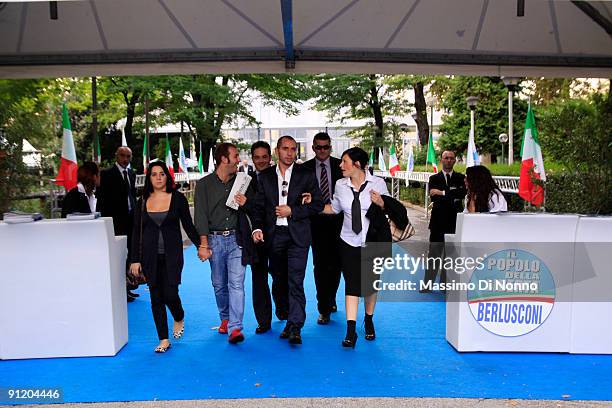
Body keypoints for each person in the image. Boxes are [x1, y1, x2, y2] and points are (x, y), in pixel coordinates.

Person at [315, 147, 406, 348]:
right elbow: (335, 208)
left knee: (371, 283)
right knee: (352, 284)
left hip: (373, 241)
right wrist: (312, 205)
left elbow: (391, 209)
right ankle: (350, 330)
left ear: (357, 165)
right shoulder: (340, 185)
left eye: (344, 162)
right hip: (348, 241)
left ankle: (369, 318)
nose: (340, 165)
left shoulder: (378, 183)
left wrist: (381, 202)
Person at [251, 136, 323, 345]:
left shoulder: (306, 175)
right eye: (285, 149)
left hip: (298, 236)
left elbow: (317, 204)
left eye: (293, 149)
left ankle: (295, 326)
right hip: (274, 237)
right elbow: (258, 207)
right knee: (280, 280)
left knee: (296, 281)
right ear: (277, 151)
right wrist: (257, 228)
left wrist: (293, 211)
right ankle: (286, 314)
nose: (290, 153)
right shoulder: (263, 177)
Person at [129, 161, 200, 353]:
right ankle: (163, 339)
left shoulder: (177, 199)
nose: (158, 177)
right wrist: (134, 259)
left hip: (173, 255)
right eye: (154, 174)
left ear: (167, 177)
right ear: (149, 178)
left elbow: (188, 225)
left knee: (170, 293)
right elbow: (136, 231)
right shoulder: (142, 201)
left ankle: (178, 315)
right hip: (149, 257)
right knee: (156, 298)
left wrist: (202, 245)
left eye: (162, 174)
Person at [194, 143, 255, 344]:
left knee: (236, 283)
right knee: (219, 284)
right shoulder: (203, 185)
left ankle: (236, 327)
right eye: (235, 156)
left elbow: (254, 208)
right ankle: (225, 318)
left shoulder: (243, 181)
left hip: (237, 239)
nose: (239, 160)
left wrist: (246, 202)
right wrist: (203, 244)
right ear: (223, 159)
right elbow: (200, 216)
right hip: (214, 240)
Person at [303, 132, 343, 325]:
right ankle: (323, 308)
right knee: (320, 266)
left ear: (330, 147)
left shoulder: (341, 166)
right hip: (314, 223)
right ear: (313, 148)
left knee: (336, 266)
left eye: (325, 147)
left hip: (340, 223)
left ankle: (331, 299)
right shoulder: (304, 169)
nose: (322, 150)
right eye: (318, 147)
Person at [97, 147, 139, 301]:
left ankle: (127, 286)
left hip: (130, 219)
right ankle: (119, 290)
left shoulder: (131, 174)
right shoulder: (107, 174)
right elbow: (101, 199)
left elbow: (132, 196)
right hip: (115, 221)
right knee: (118, 256)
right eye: (122, 155)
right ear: (116, 156)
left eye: (128, 156)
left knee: (129, 253)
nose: (125, 159)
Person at [245, 141, 277, 334]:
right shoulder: (244, 181)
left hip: (276, 235)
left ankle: (283, 309)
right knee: (259, 279)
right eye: (257, 157)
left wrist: (248, 203)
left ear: (270, 158)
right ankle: (263, 320)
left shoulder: (279, 178)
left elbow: (269, 208)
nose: (261, 161)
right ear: (252, 159)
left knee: (280, 277)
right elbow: (239, 206)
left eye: (264, 157)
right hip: (255, 238)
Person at [423, 150, 466, 290]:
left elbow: (462, 193)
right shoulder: (434, 178)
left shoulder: (461, 178)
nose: (448, 160)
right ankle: (427, 284)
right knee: (434, 255)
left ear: (455, 160)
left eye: (451, 158)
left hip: (454, 222)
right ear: (441, 160)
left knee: (450, 256)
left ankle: (444, 284)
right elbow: (434, 198)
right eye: (446, 158)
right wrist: (451, 195)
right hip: (438, 223)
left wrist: (442, 193)